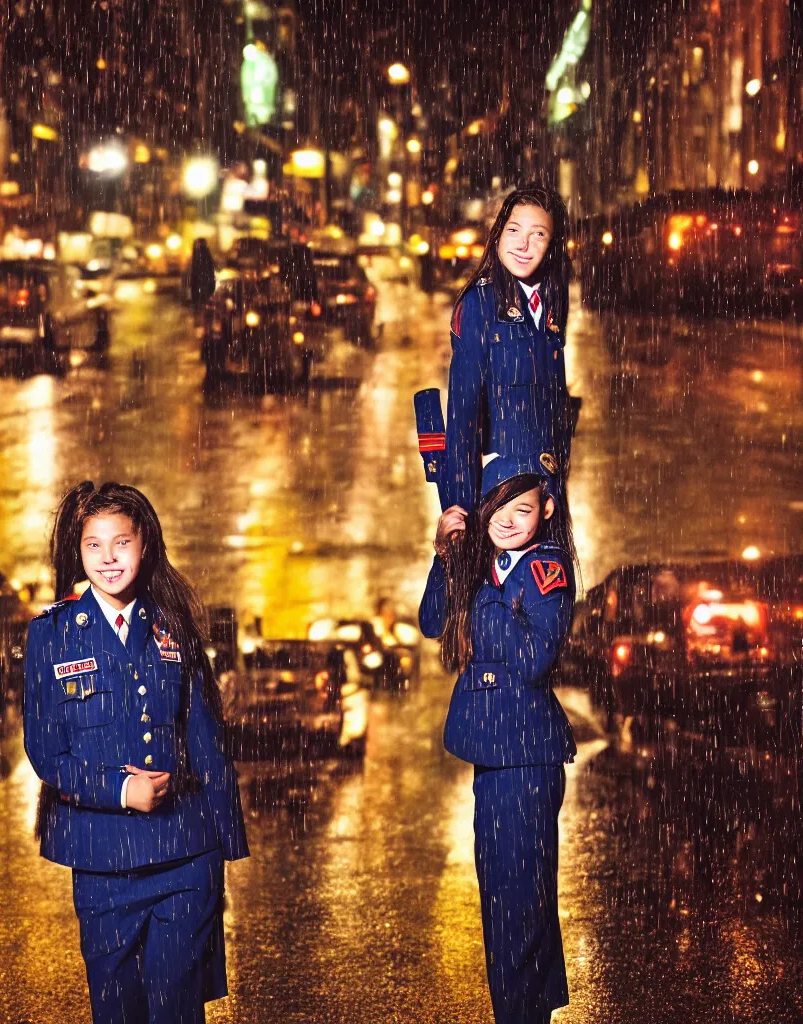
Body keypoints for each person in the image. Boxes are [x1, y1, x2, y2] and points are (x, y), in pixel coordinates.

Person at [24, 481, 248, 1024]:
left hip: (185, 854)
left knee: (177, 1006)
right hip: (104, 862)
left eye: (120, 543)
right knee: (117, 1008)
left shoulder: (174, 628)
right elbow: (45, 750)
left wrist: (227, 844)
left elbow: (206, 742)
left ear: (144, 544)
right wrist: (124, 790)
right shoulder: (50, 636)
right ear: (77, 552)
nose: (108, 559)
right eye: (93, 545)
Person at [421, 453, 577, 1024]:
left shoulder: (545, 570)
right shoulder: (484, 565)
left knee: (519, 903)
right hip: (496, 757)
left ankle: (522, 1013)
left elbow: (534, 658)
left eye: (524, 508)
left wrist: (485, 596)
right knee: (505, 898)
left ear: (547, 510)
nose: (509, 520)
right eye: (499, 508)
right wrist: (447, 555)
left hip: (526, 759)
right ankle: (525, 1011)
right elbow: (432, 620)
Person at [425, 184, 576, 580]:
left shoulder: (554, 299)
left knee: (543, 614)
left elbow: (554, 403)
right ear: (498, 235)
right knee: (489, 619)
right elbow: (462, 419)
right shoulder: (478, 305)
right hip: (499, 501)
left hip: (543, 499)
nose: (524, 245)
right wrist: (462, 514)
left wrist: (556, 488)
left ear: (552, 244)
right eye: (514, 230)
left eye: (538, 234)